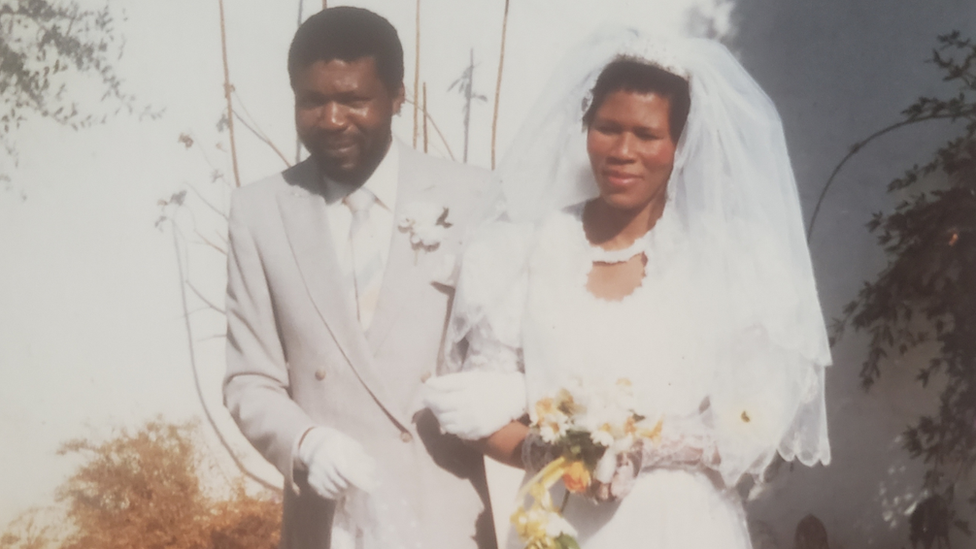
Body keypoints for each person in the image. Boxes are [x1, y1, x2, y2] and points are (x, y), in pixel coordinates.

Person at [425, 30, 832, 549]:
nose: (623, 151)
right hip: (558, 522)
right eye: (607, 128)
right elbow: (479, 409)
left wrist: (649, 450)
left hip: (681, 525)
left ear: (680, 146)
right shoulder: (522, 250)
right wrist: (557, 454)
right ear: (586, 129)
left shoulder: (730, 259)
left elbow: (753, 423)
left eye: (647, 134)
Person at [223, 7, 496, 549]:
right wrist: (305, 442)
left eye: (353, 100)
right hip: (331, 522)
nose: (331, 119)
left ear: (397, 97)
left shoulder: (474, 198)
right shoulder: (258, 210)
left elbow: (507, 352)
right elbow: (248, 379)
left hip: (446, 515)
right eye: (312, 100)